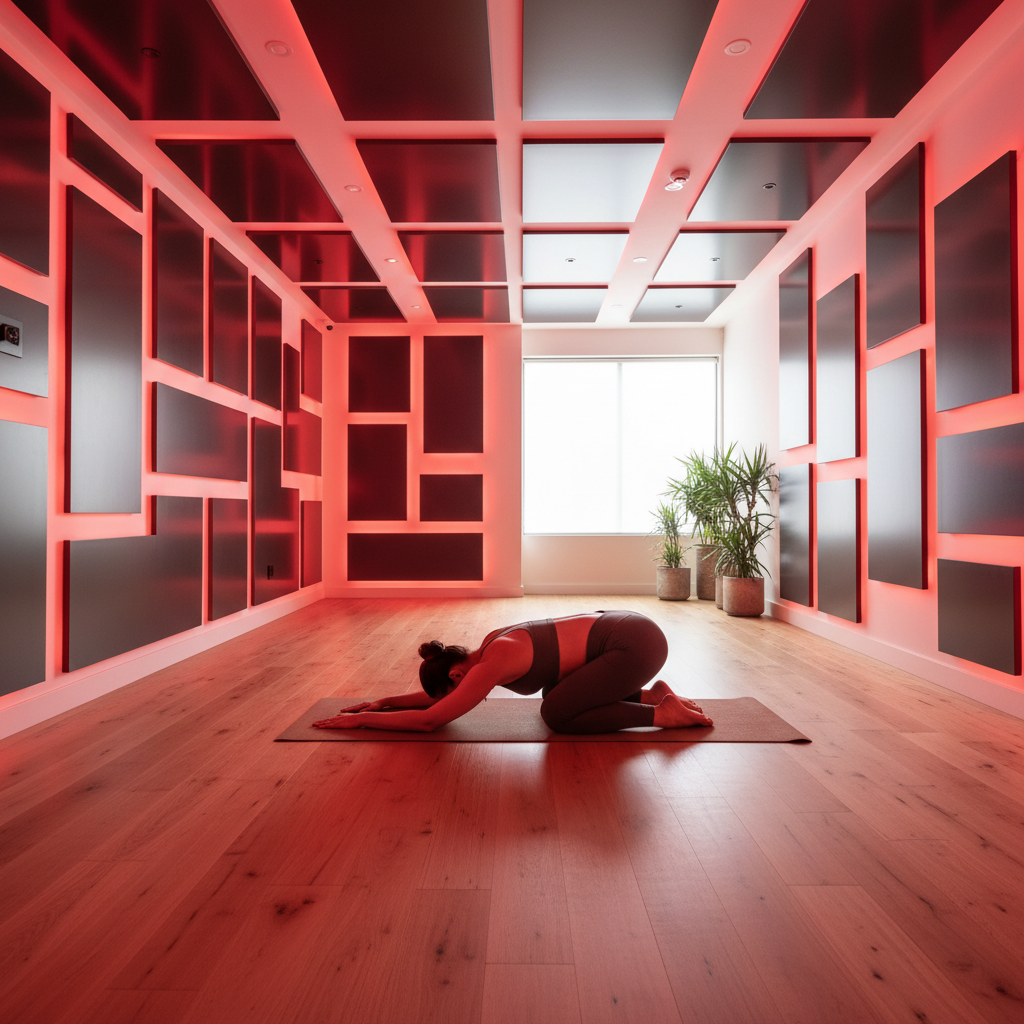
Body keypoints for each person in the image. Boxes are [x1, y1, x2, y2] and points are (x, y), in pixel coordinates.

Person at [312, 610, 713, 734]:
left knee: (556, 713)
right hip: (631, 632)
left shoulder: (494, 662)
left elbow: (431, 719)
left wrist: (364, 722)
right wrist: (384, 702)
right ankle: (651, 694)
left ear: (455, 676)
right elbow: (436, 702)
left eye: (451, 690)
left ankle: (661, 714)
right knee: (555, 691)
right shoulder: (489, 644)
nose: (459, 696)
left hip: (635, 645)